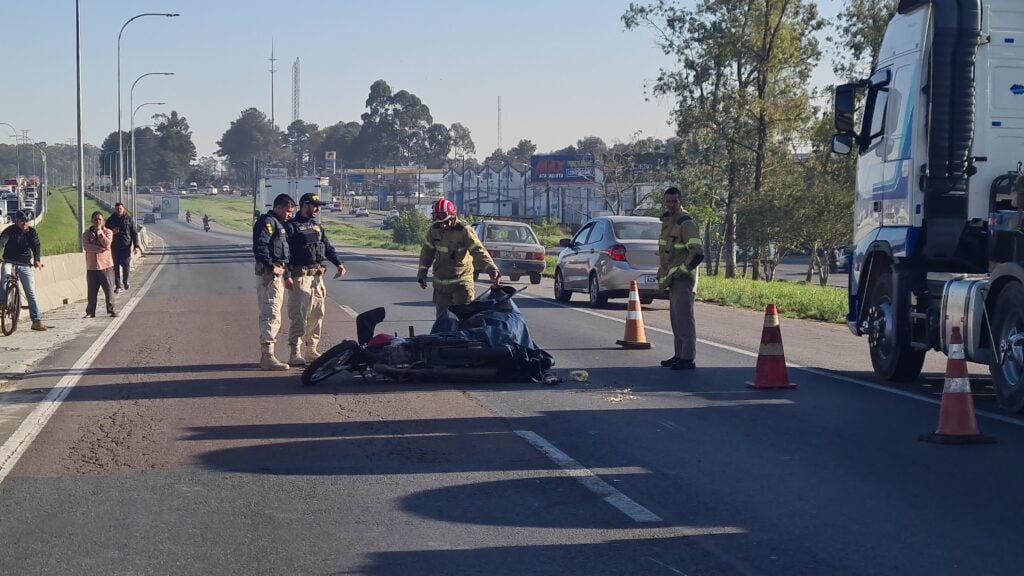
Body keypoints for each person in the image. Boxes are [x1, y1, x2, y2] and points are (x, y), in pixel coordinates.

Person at [285, 193, 347, 366]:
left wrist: (339, 264)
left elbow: (327, 247)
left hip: (317, 277)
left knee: (317, 314)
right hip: (300, 277)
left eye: (319, 206)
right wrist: (287, 276)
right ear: (304, 206)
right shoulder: (290, 227)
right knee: (299, 315)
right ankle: (294, 352)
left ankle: (311, 350)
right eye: (315, 206)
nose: (318, 209)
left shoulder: (317, 227)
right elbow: (285, 254)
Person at [417, 198, 500, 317]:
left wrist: (491, 269)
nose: (443, 225)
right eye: (440, 223)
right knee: (443, 322)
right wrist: (422, 274)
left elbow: (478, 251)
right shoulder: (434, 230)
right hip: (441, 286)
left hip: (461, 285)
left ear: (453, 216)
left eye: (446, 221)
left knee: (464, 319)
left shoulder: (464, 231)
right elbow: (427, 252)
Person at [658, 187, 704, 371]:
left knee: (685, 319)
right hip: (672, 279)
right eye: (667, 201)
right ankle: (678, 355)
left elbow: (697, 253)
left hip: (683, 279)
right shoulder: (669, 221)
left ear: (680, 201)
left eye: (674, 201)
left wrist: (683, 270)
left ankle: (687, 358)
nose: (670, 204)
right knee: (676, 319)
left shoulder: (686, 223)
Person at [253, 193, 296, 371]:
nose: (290, 215)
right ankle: (267, 356)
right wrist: (272, 267)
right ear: (278, 207)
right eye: (287, 211)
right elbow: (260, 246)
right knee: (270, 313)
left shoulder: (279, 225)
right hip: (270, 275)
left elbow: (281, 255)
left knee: (273, 312)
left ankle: (268, 354)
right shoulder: (268, 223)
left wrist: (286, 276)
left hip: (278, 274)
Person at [0, 210, 48, 331]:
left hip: (25, 263)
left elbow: (36, 246)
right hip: (9, 261)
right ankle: (2, 303)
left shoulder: (31, 232)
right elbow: (2, 242)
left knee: (31, 292)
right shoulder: (9, 231)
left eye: (26, 221)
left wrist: (37, 260)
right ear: (16, 221)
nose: (25, 223)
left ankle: (36, 321)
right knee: (5, 276)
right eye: (22, 221)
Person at [82, 211, 116, 318]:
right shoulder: (86, 234)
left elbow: (107, 244)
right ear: (92, 221)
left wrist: (100, 233)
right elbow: (87, 247)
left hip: (106, 266)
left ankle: (111, 310)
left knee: (109, 290)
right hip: (92, 267)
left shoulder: (108, 232)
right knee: (91, 291)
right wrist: (99, 249)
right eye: (95, 219)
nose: (97, 221)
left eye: (100, 219)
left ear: (103, 221)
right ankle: (90, 312)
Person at [105, 202, 140, 293]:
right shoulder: (111, 220)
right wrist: (112, 232)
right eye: (117, 209)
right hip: (114, 247)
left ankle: (126, 281)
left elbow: (134, 232)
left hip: (125, 246)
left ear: (123, 209)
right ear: (115, 210)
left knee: (125, 264)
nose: (119, 210)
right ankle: (118, 286)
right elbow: (105, 232)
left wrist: (136, 246)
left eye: (120, 208)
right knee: (115, 267)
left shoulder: (128, 219)